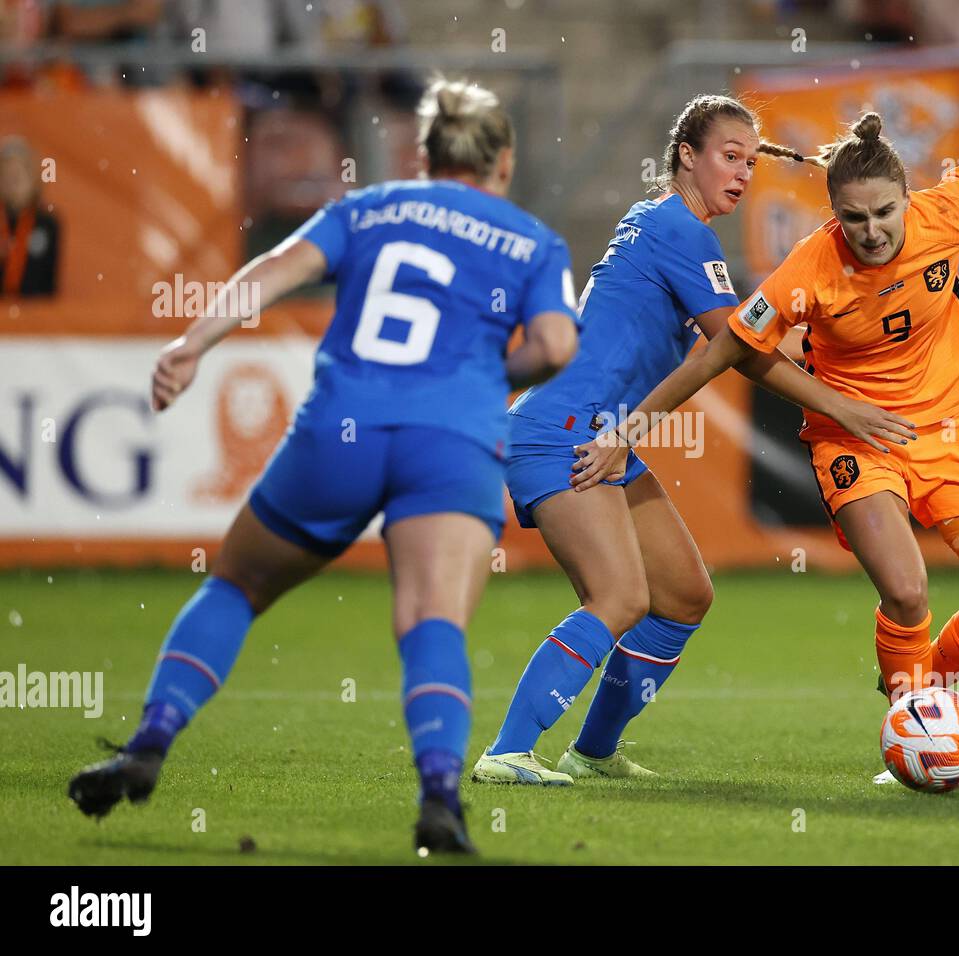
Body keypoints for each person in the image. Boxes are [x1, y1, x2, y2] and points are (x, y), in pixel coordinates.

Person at [571, 24, 959, 779]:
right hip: (855, 440)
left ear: (906, 198)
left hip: (955, 425)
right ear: (833, 215)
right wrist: (634, 428)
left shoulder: (948, 213)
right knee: (906, 588)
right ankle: (910, 722)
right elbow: (728, 350)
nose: (872, 231)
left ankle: (916, 692)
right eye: (853, 219)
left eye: (884, 213)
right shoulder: (810, 265)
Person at [66, 77, 579, 854]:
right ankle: (440, 795)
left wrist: (191, 343)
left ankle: (149, 742)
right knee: (430, 620)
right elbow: (555, 347)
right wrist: (478, 376)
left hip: (343, 427)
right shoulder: (533, 240)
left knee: (237, 583)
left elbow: (271, 272)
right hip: (452, 443)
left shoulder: (367, 208)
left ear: (422, 154)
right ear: (502, 162)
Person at [471, 94, 911, 786]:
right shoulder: (680, 232)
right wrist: (840, 405)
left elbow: (745, 333)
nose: (740, 174)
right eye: (727, 158)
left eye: (748, 161)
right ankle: (507, 752)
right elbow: (738, 347)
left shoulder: (659, 222)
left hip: (599, 432)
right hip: (566, 431)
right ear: (687, 156)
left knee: (682, 594)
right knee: (619, 599)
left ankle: (592, 754)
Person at [0, 136, 60, 297]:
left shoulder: (48, 224)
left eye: (18, 174)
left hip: (34, 317)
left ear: (32, 178)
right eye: (7, 175)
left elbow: (49, 284)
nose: (13, 182)